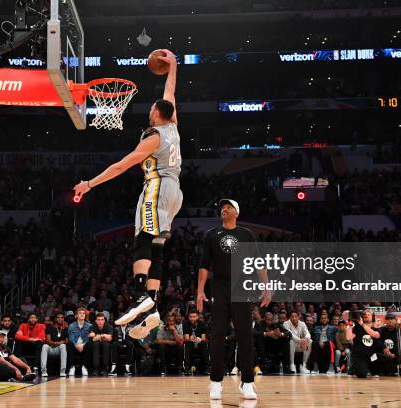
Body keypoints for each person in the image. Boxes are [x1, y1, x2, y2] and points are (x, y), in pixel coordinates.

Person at [73, 49, 182, 339]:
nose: (149, 112)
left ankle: (139, 294)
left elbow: (121, 166)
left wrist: (89, 184)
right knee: (156, 245)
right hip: (175, 192)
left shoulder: (154, 137)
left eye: (151, 110)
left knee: (142, 240)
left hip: (157, 186)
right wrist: (172, 67)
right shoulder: (173, 127)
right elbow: (170, 92)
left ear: (157, 114)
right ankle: (152, 308)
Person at [197, 199, 271, 400]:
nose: (224, 209)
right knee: (218, 335)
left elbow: (258, 261)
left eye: (228, 207)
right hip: (219, 288)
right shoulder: (211, 235)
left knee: (245, 336)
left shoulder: (246, 234)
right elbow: (204, 264)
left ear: (236, 212)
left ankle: (247, 382)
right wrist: (200, 291)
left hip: (241, 287)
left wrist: (267, 287)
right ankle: (216, 382)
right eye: (223, 207)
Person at [347, 310, 381, 378]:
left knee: (386, 360)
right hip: (359, 356)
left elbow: (375, 335)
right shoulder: (357, 328)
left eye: (368, 315)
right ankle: (355, 367)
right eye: (364, 315)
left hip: (371, 355)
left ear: (373, 317)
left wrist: (363, 324)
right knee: (362, 374)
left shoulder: (376, 329)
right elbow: (349, 338)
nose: (366, 316)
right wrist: (349, 325)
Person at [41, 312, 68, 377]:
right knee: (44, 346)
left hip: (59, 350)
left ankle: (62, 370)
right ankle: (43, 370)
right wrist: (57, 343)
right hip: (51, 349)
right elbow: (48, 340)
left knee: (63, 346)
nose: (60, 319)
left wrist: (62, 343)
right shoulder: (50, 327)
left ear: (63, 319)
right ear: (55, 319)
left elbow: (67, 341)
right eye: (58, 317)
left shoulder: (65, 328)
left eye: (62, 317)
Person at [67, 308, 92, 376]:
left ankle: (84, 367)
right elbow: (71, 338)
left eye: (83, 313)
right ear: (76, 315)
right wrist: (76, 345)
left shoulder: (89, 326)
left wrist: (83, 345)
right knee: (69, 343)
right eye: (80, 313)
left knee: (90, 343)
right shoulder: (71, 326)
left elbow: (89, 338)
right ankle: (72, 367)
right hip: (75, 347)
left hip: (84, 346)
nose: (82, 314)